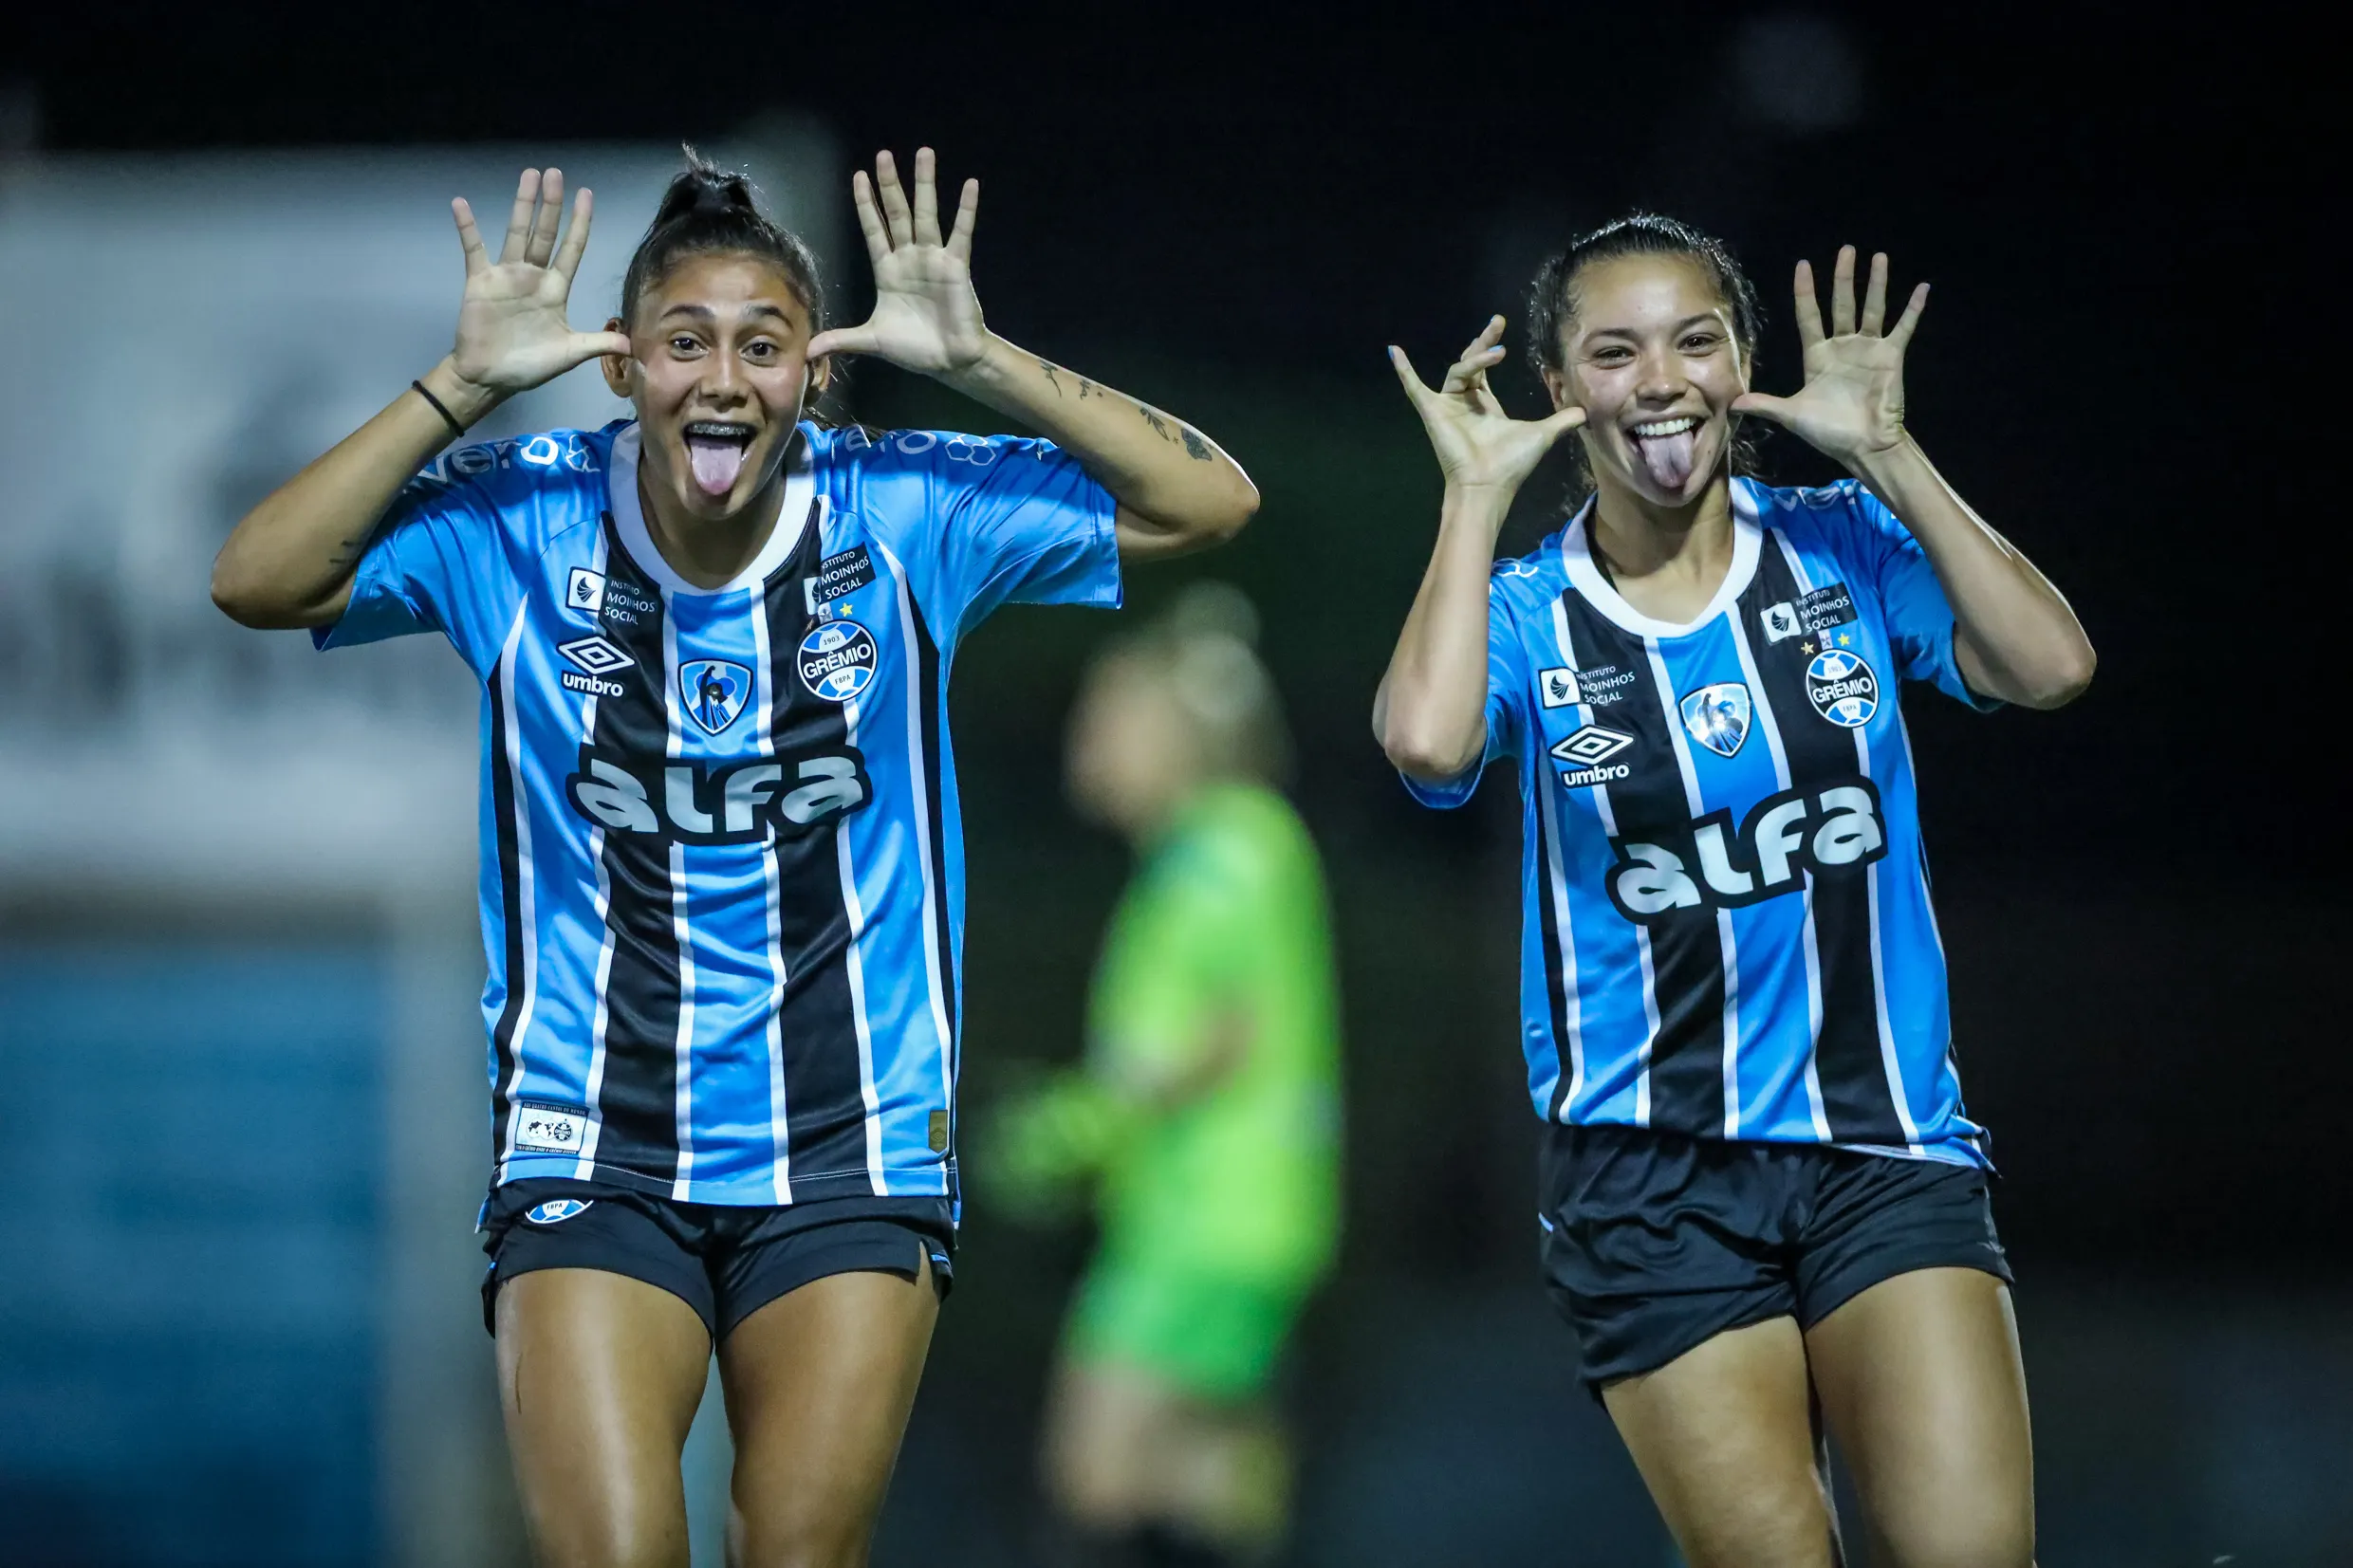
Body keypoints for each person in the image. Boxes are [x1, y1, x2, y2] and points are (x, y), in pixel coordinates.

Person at [211, 147, 1257, 1568]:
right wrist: (459, 385)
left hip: (852, 1144)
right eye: (685, 344)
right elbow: (257, 579)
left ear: (814, 376)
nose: (722, 380)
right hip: (594, 1139)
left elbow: (1209, 502)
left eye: (764, 346)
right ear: (621, 369)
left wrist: (978, 355)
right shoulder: (519, 521)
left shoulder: (898, 515)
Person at [1377, 217, 2094, 1568]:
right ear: (1559, 388)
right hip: (1650, 1182)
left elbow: (2050, 664)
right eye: (1615, 351)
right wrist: (1470, 497)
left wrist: (1887, 447)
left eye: (1694, 340)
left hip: (1887, 1147)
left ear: (1743, 363)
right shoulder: (1532, 612)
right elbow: (1425, 742)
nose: (1660, 379)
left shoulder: (1841, 544)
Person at [989, 586, 1342, 1568]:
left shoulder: (1212, 856)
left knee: (1089, 1478)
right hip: (1251, 1218)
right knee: (1207, 1478)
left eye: (1106, 723)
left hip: (1202, 1221)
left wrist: (1064, 1129)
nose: (1085, 747)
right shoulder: (1247, 840)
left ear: (1176, 736)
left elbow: (1211, 1040)